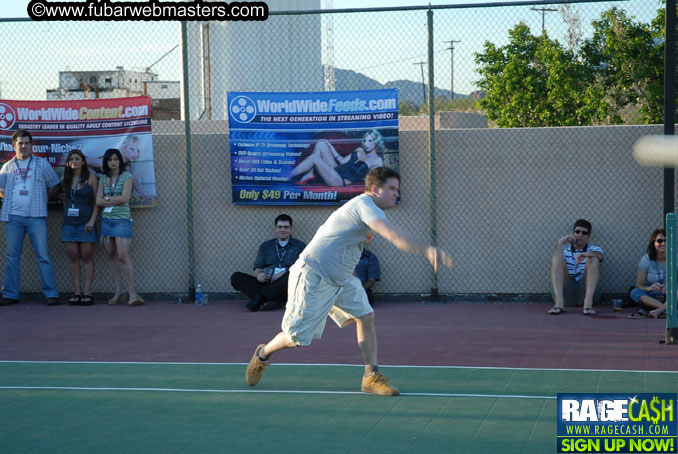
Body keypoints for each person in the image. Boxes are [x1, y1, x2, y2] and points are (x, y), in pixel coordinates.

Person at [246, 167, 453, 396]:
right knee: (296, 338)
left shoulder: (373, 209)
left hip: (343, 279)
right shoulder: (364, 206)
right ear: (375, 190)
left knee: (366, 316)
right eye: (392, 189)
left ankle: (370, 377)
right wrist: (427, 250)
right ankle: (263, 354)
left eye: (398, 189)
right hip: (313, 275)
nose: (397, 193)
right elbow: (393, 236)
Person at [0, 130, 61, 306]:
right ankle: (10, 294)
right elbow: (1, 188)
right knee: (12, 257)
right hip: (13, 218)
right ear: (14, 145)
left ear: (31, 145)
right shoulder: (7, 166)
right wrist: (8, 199)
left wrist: (43, 200)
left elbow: (55, 184)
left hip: (36, 217)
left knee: (43, 256)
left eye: (27, 143)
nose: (24, 146)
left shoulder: (41, 164)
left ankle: (51, 294)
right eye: (20, 143)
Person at [96, 148, 143, 307]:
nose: (113, 162)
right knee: (111, 254)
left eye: (116, 159)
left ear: (120, 161)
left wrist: (107, 198)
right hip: (106, 221)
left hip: (122, 220)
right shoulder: (103, 179)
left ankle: (132, 293)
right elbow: (98, 201)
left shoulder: (127, 177)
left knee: (123, 255)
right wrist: (107, 200)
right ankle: (119, 290)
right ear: (106, 162)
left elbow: (125, 198)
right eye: (110, 160)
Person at [231, 214, 306, 311]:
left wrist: (283, 273)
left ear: (291, 229)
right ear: (275, 228)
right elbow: (258, 267)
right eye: (280, 227)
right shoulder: (265, 246)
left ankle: (261, 299)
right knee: (236, 277)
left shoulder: (300, 246)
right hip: (267, 282)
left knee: (292, 274)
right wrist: (259, 275)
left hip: (287, 284)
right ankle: (272, 300)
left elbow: (303, 268)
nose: (282, 230)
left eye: (286, 227)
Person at [61, 149, 99, 306]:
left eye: (77, 159)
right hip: (69, 224)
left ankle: (88, 293)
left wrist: (92, 221)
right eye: (71, 159)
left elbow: (97, 202)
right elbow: (64, 200)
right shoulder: (65, 178)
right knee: (73, 257)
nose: (74, 162)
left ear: (83, 161)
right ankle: (77, 292)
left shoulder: (91, 178)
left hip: (86, 224)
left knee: (87, 257)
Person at [290, 129, 386, 187]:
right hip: (337, 170)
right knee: (321, 143)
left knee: (314, 158)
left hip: (340, 180)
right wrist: (330, 146)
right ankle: (309, 173)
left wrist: (361, 176)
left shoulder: (377, 160)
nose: (366, 143)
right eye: (364, 140)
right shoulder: (360, 150)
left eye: (370, 141)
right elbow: (342, 161)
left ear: (376, 142)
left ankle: (287, 176)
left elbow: (373, 180)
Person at [548, 219, 604, 315]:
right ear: (573, 233)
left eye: (584, 233)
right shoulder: (563, 250)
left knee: (594, 258)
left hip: (586, 292)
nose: (580, 235)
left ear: (588, 236)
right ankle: (559, 304)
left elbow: (600, 256)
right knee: (556, 259)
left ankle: (587, 305)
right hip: (566, 293)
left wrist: (586, 254)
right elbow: (555, 261)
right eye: (577, 232)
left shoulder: (594, 249)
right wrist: (561, 242)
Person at [628, 229, 667, 319]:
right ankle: (666, 309)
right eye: (660, 241)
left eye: (666, 240)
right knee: (634, 292)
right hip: (652, 295)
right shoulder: (646, 259)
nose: (663, 243)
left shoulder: (676, 257)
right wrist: (649, 288)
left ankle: (658, 310)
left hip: (670, 295)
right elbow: (638, 285)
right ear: (653, 243)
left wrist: (670, 288)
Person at [353, 234, 381, 306]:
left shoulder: (370, 257)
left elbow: (372, 281)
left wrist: (358, 290)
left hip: (361, 289)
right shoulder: (342, 256)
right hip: (344, 288)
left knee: (367, 299)